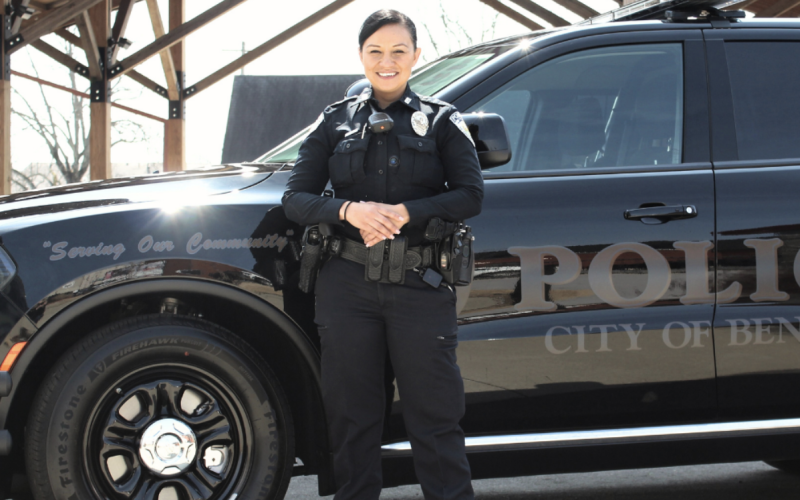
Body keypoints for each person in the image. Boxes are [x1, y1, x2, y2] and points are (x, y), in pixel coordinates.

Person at [282, 9, 483, 500]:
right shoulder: (334, 121)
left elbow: (470, 194)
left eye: (398, 51)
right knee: (352, 423)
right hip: (347, 287)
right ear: (361, 57)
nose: (386, 61)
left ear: (416, 57)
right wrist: (350, 210)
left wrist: (402, 212)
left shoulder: (441, 120)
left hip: (420, 286)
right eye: (375, 51)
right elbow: (295, 198)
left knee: (435, 420)